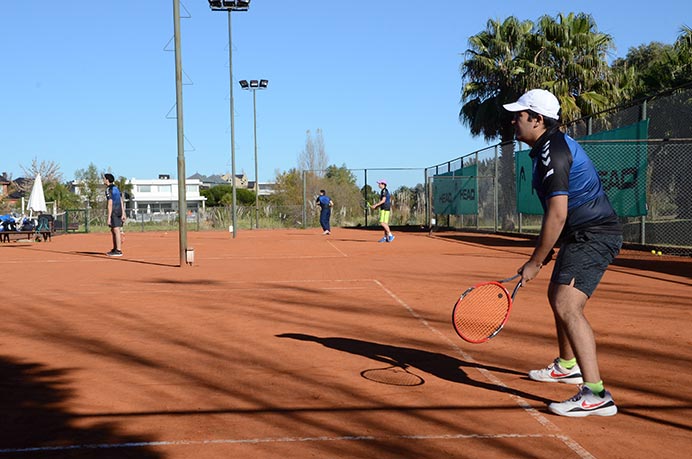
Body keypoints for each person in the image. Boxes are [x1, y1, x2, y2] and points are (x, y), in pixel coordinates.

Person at [503, 89, 622, 417]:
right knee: (558, 296)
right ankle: (568, 365)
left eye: (520, 115)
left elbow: (557, 212)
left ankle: (596, 393)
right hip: (580, 234)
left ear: (537, 120)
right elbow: (559, 216)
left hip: (594, 235)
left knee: (566, 303)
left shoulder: (553, 152)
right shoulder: (546, 147)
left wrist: (536, 261)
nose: (515, 120)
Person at [103, 173, 126, 257]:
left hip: (114, 212)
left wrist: (108, 217)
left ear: (107, 180)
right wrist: (123, 213)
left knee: (116, 230)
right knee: (113, 230)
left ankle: (118, 250)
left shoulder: (109, 189)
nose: (103, 180)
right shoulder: (116, 188)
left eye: (104, 178)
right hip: (119, 211)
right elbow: (121, 200)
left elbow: (110, 202)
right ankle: (115, 248)